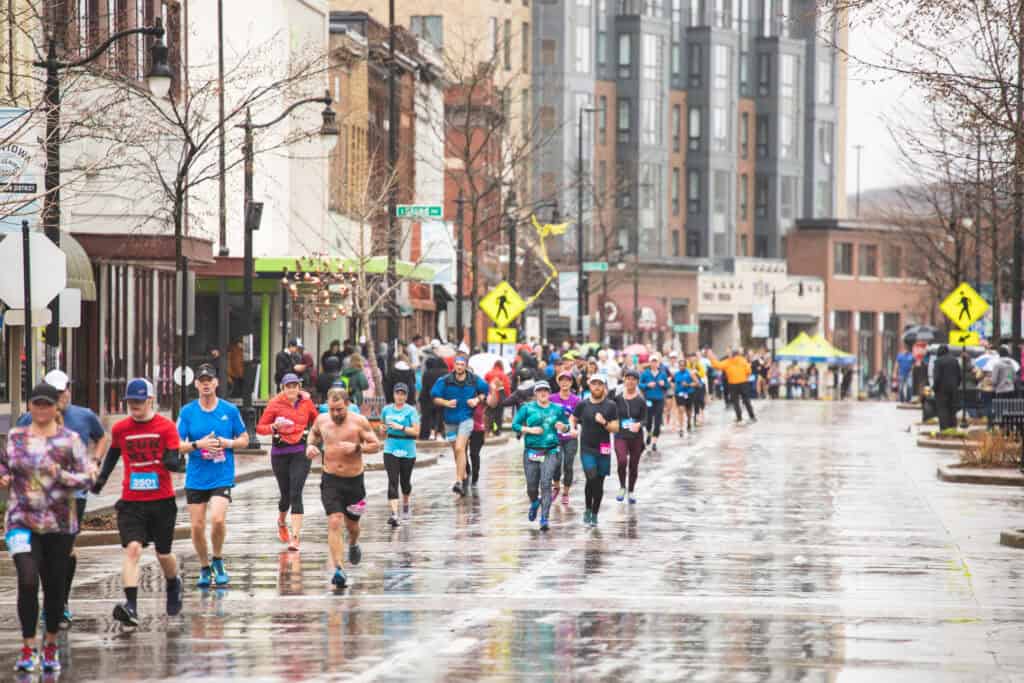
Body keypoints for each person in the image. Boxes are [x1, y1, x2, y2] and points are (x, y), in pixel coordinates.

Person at [2, 383, 94, 673]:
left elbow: (87, 479)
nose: (41, 410)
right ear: (30, 406)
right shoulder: (16, 436)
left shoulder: (70, 440)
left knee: (53, 586)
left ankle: (50, 644)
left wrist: (61, 474)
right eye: (36, 404)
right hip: (21, 519)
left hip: (59, 523)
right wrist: (3, 476)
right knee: (27, 579)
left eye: (47, 405)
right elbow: (5, 464)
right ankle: (29, 647)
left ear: (57, 407)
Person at [14, 369, 108, 629]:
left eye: (62, 391)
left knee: (64, 550)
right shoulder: (27, 419)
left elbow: (101, 437)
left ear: (69, 390)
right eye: (53, 393)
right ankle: (54, 603)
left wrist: (95, 461)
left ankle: (60, 603)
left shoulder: (84, 416)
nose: (59, 397)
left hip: (73, 494)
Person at [92, 377, 185, 628]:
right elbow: (113, 455)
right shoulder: (121, 429)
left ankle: (173, 582)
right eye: (130, 401)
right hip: (132, 502)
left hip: (162, 501)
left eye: (139, 401)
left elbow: (174, 458)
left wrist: (174, 463)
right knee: (132, 549)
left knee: (163, 554)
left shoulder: (166, 427)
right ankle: (131, 606)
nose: (134, 405)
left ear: (150, 400)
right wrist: (100, 480)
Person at [177, 363, 248, 588]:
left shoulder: (229, 411)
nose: (206, 384)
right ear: (196, 384)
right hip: (196, 477)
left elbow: (245, 439)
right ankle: (204, 567)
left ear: (217, 383)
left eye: (210, 380)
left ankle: (217, 559)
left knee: (217, 519)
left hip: (221, 475)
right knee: (197, 526)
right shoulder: (187, 412)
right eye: (202, 380)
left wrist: (228, 443)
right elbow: (177, 445)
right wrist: (199, 444)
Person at [306, 387, 381, 588]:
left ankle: (354, 543)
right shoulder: (322, 420)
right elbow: (312, 435)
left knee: (352, 527)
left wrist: (357, 447)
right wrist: (310, 446)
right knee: (334, 521)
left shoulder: (359, 422)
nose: (336, 413)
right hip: (330, 479)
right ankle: (339, 569)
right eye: (332, 409)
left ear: (347, 404)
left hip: (355, 482)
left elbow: (376, 445)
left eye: (339, 409)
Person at [256, 373, 319, 551]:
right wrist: (274, 427)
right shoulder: (275, 404)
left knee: (296, 493)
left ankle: (295, 537)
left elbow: (317, 422)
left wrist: (314, 442)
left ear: (299, 387)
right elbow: (260, 428)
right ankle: (281, 521)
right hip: (280, 453)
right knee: (285, 495)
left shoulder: (306, 403)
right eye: (288, 386)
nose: (292, 389)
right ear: (282, 389)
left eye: (295, 386)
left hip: (301, 452)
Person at [512, 381, 570, 531]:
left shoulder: (557, 409)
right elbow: (515, 425)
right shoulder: (527, 408)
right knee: (532, 486)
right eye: (540, 391)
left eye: (545, 390)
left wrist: (563, 427)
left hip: (551, 450)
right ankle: (534, 502)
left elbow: (567, 426)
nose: (543, 393)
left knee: (545, 483)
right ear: (535, 393)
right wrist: (529, 430)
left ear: (549, 393)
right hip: (532, 451)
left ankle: (544, 518)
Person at [431, 355, 490, 496]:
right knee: (457, 452)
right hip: (449, 420)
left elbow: (485, 391)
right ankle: (463, 476)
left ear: (466, 366)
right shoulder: (444, 380)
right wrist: (446, 403)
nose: (459, 367)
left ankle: (458, 481)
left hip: (466, 419)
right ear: (454, 366)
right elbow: (434, 398)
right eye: (457, 364)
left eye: (462, 364)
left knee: (460, 447)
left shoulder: (474, 379)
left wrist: (477, 399)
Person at [571, 374, 619, 527]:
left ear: (604, 386)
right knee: (591, 477)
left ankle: (594, 513)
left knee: (599, 482)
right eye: (594, 384)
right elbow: (573, 417)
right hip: (587, 448)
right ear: (589, 386)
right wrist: (572, 428)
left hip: (603, 449)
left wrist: (604, 422)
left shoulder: (610, 405)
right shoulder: (582, 405)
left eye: (600, 384)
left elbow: (616, 427)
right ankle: (587, 508)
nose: (597, 387)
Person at [381, 383, 420, 527]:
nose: (400, 396)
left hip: (408, 448)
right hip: (391, 447)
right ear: (393, 395)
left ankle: (405, 504)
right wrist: (383, 429)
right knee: (392, 481)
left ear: (406, 396)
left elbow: (416, 432)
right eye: (398, 393)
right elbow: (382, 427)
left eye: (403, 394)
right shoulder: (386, 410)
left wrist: (401, 427)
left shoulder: (411, 411)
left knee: (405, 482)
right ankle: (394, 514)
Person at [614, 369, 647, 504]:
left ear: (637, 382)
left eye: (633, 379)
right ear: (624, 380)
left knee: (634, 465)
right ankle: (622, 487)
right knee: (622, 461)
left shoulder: (640, 400)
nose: (630, 381)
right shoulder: (616, 398)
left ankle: (631, 491)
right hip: (620, 435)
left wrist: (639, 424)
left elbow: (646, 419)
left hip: (636, 437)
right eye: (628, 378)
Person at [550, 371, 581, 505]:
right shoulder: (552, 398)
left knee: (568, 464)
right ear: (558, 382)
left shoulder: (576, 400)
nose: (564, 383)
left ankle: (566, 493)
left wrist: (575, 429)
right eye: (562, 380)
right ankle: (556, 486)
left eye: (567, 380)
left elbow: (579, 418)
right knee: (556, 464)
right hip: (555, 437)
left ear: (571, 383)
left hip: (570, 437)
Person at [707, 349, 757, 423]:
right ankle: (752, 416)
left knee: (735, 401)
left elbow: (717, 366)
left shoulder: (728, 361)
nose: (729, 356)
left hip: (733, 383)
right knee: (746, 400)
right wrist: (745, 377)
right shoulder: (743, 360)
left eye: (730, 355)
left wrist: (711, 358)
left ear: (732, 355)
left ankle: (739, 417)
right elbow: (748, 371)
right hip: (743, 383)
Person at [639, 355, 669, 451]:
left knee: (658, 421)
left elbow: (667, 386)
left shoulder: (662, 374)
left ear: (658, 363)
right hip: (649, 400)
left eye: (656, 362)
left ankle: (654, 442)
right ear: (650, 363)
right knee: (648, 420)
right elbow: (640, 384)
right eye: (652, 361)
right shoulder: (645, 373)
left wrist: (664, 384)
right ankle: (649, 433)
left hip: (659, 399)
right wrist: (647, 385)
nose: (654, 363)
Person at [420, 347, 449, 440]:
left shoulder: (427, 373)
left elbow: (424, 386)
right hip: (442, 397)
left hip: (428, 397)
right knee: (440, 415)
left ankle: (431, 433)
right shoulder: (446, 373)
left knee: (430, 416)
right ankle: (440, 434)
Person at [932, 345, 962, 430]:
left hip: (941, 390)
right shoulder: (955, 360)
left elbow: (936, 377)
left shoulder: (938, 361)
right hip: (953, 389)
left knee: (943, 409)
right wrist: (956, 385)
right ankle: (952, 428)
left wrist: (934, 388)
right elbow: (959, 376)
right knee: (952, 409)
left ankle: (944, 429)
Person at [672, 360, 698, 435]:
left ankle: (689, 421)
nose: (681, 367)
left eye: (683, 366)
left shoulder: (690, 373)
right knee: (681, 409)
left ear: (685, 366)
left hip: (689, 393)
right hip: (679, 394)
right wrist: (673, 386)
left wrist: (688, 384)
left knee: (688, 411)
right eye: (680, 366)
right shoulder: (676, 374)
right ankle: (681, 428)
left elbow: (697, 383)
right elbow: (672, 382)